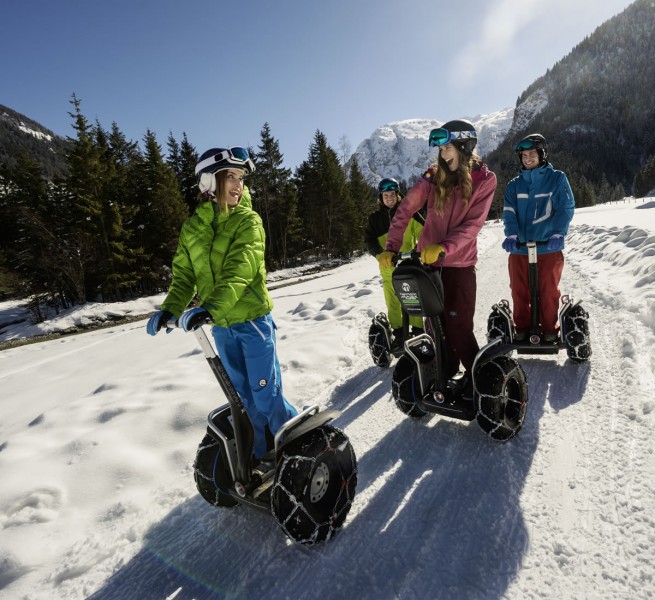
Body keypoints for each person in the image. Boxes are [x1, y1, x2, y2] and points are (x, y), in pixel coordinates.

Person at [146, 146, 297, 460]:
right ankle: (259, 456)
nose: (238, 184)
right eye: (231, 176)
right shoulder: (193, 228)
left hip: (253, 321)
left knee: (266, 395)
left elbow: (239, 270)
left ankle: (298, 447)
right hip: (222, 328)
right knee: (243, 398)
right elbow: (184, 276)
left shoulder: (249, 222)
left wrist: (210, 307)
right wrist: (170, 309)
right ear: (208, 182)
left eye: (241, 177)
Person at [378, 120, 496, 389]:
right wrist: (392, 246)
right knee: (434, 327)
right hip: (428, 265)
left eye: (448, 148)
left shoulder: (485, 180)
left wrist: (445, 248)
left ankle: (481, 382)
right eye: (440, 150)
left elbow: (472, 225)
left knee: (457, 327)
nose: (443, 155)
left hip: (459, 265)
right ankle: (442, 374)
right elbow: (405, 209)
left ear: (465, 147)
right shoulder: (432, 177)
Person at [501, 133, 575, 342]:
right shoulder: (514, 186)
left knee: (548, 290)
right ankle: (522, 329)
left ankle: (550, 330)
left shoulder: (557, 179)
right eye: (524, 155)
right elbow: (509, 212)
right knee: (519, 290)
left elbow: (565, 207)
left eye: (531, 154)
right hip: (520, 248)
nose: (527, 159)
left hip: (548, 247)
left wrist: (558, 232)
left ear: (541, 154)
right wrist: (512, 234)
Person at [364, 177, 425, 350]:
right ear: (381, 197)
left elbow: (423, 230)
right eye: (386, 195)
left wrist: (417, 248)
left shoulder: (409, 212)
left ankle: (418, 331)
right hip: (387, 267)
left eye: (392, 194)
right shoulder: (375, 219)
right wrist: (379, 254)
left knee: (412, 298)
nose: (389, 198)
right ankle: (398, 334)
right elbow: (369, 240)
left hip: (409, 263)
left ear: (398, 195)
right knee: (393, 302)